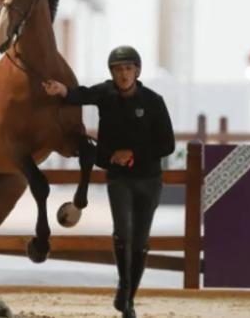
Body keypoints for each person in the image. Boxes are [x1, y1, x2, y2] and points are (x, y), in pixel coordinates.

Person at [42, 46, 175, 318]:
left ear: (137, 71)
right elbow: (82, 94)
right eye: (117, 69)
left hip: (149, 179)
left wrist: (133, 154)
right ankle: (124, 288)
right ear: (112, 73)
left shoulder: (153, 101)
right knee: (122, 234)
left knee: (141, 241)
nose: (123, 74)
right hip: (119, 178)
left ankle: (129, 299)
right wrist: (61, 90)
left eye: (128, 68)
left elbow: (168, 144)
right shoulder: (106, 93)